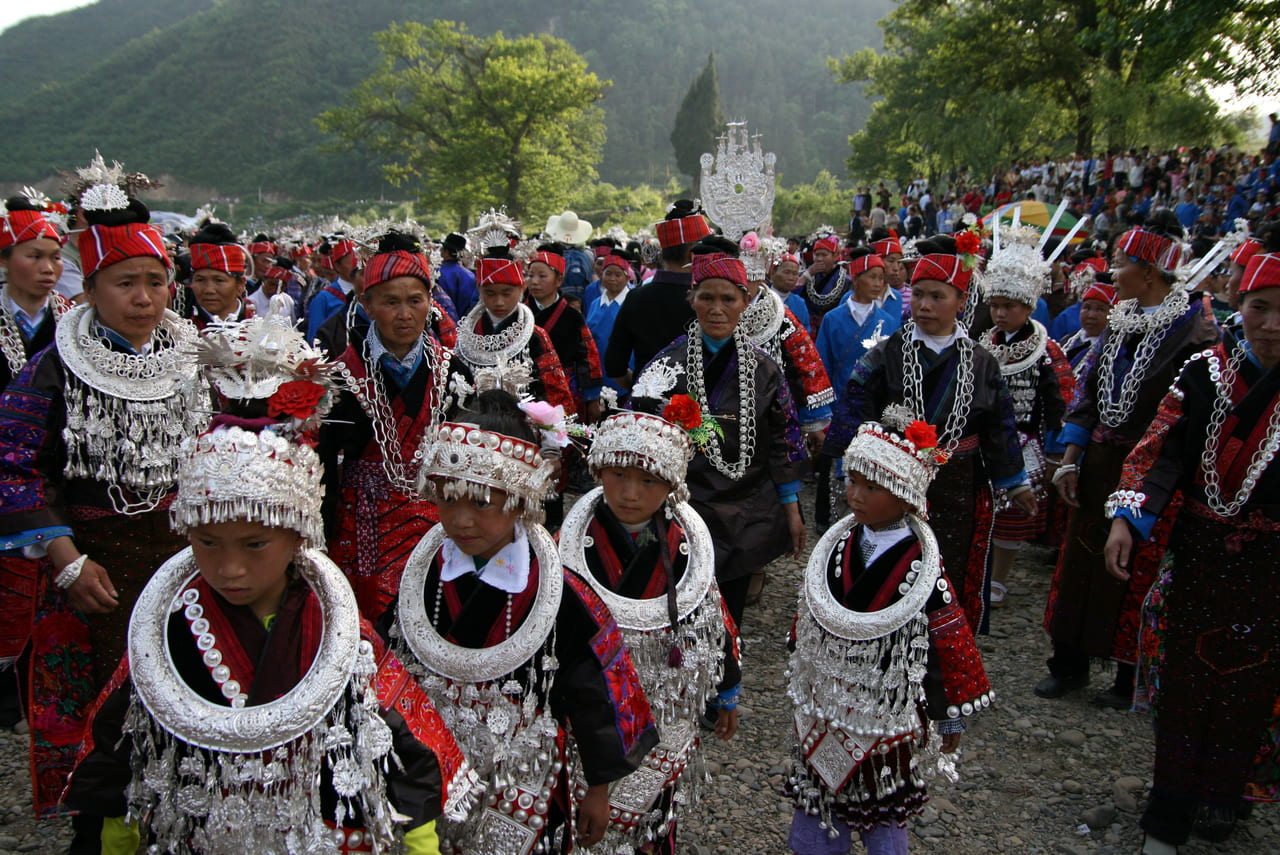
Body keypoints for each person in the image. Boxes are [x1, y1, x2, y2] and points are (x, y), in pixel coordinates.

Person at [65, 315, 475, 854]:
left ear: (300, 534)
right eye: (207, 543)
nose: (229, 568)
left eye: (255, 544)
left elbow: (411, 754)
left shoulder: (340, 634)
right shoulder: (163, 635)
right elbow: (114, 767)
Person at [0, 161, 210, 816]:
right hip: (92, 569)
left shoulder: (195, 358)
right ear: (89, 287)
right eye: (125, 283)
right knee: (101, 723)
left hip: (181, 562)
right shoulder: (51, 368)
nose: (143, 297)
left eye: (155, 281)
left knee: (186, 702)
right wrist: (66, 560)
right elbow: (12, 465)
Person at [385, 390, 657, 854]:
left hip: (523, 790)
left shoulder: (563, 595)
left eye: (483, 503)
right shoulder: (418, 577)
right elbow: (388, 677)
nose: (462, 520)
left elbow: (596, 691)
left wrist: (597, 787)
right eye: (449, 501)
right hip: (432, 772)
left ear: (521, 500)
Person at [1103, 249, 1280, 854]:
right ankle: (1168, 810)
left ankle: (1226, 796)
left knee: (1251, 687)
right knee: (1185, 682)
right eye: (1260, 307)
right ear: (1240, 305)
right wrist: (1130, 517)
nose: (1271, 324)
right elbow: (1159, 450)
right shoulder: (1204, 370)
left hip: (1272, 569)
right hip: (1200, 553)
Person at [786, 414, 992, 855]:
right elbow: (814, 606)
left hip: (886, 711)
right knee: (818, 792)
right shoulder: (838, 545)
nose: (855, 495)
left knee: (883, 803)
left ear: (906, 496)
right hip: (825, 700)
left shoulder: (921, 563)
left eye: (871, 487)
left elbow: (944, 634)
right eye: (852, 480)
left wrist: (947, 710)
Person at [1042, 212, 1220, 706]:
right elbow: (1089, 393)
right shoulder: (1119, 322)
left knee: (1135, 569)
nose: (1113, 273)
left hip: (1156, 473)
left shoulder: (1197, 332)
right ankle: (1070, 662)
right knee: (1081, 559)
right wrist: (1071, 457)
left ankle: (1129, 677)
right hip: (1100, 463)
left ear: (1149, 272)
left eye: (1120, 264)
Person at [822, 234, 1033, 636]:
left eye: (938, 296)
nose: (924, 305)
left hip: (956, 485)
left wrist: (1014, 480)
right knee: (891, 562)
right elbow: (855, 407)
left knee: (946, 566)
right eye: (918, 294)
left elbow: (999, 424)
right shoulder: (886, 353)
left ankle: (942, 646)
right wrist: (848, 464)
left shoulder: (982, 363)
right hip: (891, 486)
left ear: (961, 300)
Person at [559, 408, 741, 854]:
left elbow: (711, 614)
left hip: (664, 698)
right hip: (589, 701)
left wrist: (726, 688)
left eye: (648, 481)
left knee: (651, 819)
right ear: (598, 471)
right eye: (617, 475)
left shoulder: (686, 547)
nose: (630, 493)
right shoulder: (566, 542)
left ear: (673, 486)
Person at [630, 239, 808, 627]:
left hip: (747, 507)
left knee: (731, 613)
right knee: (680, 605)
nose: (717, 309)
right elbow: (639, 433)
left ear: (746, 302)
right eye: (706, 297)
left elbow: (785, 440)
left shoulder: (765, 370)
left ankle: (727, 677)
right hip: (681, 504)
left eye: (728, 299)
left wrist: (792, 511)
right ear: (691, 299)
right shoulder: (666, 365)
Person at [321, 230, 472, 620]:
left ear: (430, 303)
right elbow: (322, 468)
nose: (404, 314)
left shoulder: (454, 371)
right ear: (367, 304)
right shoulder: (339, 376)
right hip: (362, 525)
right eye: (390, 302)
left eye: (414, 301)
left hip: (437, 520)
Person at [975, 227, 1074, 608]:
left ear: (1029, 307)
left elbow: (1060, 401)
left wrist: (1056, 452)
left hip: (1026, 443)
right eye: (995, 305)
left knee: (1014, 513)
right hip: (986, 440)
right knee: (985, 506)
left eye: (1009, 306)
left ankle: (1000, 576)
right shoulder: (985, 343)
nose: (1000, 313)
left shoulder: (1046, 350)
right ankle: (982, 570)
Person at [0, 192, 70, 727]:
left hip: (51, 479)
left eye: (55, 257)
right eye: (33, 255)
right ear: (4, 261)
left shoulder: (72, 326)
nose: (48, 269)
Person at [813, 246, 902, 530]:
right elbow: (821, 366)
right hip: (839, 406)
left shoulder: (889, 321)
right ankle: (829, 524)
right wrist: (823, 411)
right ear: (855, 278)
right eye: (872, 277)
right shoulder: (833, 319)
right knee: (835, 473)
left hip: (875, 411)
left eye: (881, 278)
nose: (878, 283)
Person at [452, 213, 575, 416]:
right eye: (490, 293)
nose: (499, 302)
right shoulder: (468, 334)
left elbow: (555, 392)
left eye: (507, 293)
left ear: (521, 289)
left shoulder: (535, 336)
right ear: (479, 290)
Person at [604, 200, 712, 388]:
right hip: (699, 409)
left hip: (645, 407)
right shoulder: (710, 302)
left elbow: (614, 365)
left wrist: (639, 386)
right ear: (692, 255)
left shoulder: (635, 297)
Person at [524, 244, 604, 422]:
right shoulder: (521, 313)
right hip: (526, 390)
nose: (534, 281)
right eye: (530, 275)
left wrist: (592, 398)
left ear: (559, 280)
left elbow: (588, 357)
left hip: (565, 391)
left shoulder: (572, 316)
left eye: (542, 276)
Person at [184, 221, 253, 329]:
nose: (209, 290)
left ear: (240, 284)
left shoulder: (264, 335)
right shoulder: (178, 337)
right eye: (200, 280)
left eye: (219, 280)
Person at [584, 251, 634, 398]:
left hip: (627, 370)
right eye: (608, 273)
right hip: (598, 371)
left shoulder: (634, 301)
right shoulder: (595, 304)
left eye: (618, 275)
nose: (612, 279)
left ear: (627, 277)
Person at [305, 236, 359, 341]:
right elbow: (314, 341)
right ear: (337, 266)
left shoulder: (369, 294)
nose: (359, 266)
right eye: (353, 262)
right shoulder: (323, 299)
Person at [796, 232, 850, 336]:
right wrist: (807, 275)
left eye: (824, 255)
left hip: (833, 329)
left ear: (835, 256)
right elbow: (793, 294)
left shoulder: (846, 281)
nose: (819, 259)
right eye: (817, 254)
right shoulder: (807, 275)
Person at [436, 232, 477, 316]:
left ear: (446, 252)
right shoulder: (470, 275)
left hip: (444, 321)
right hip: (465, 322)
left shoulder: (437, 273)